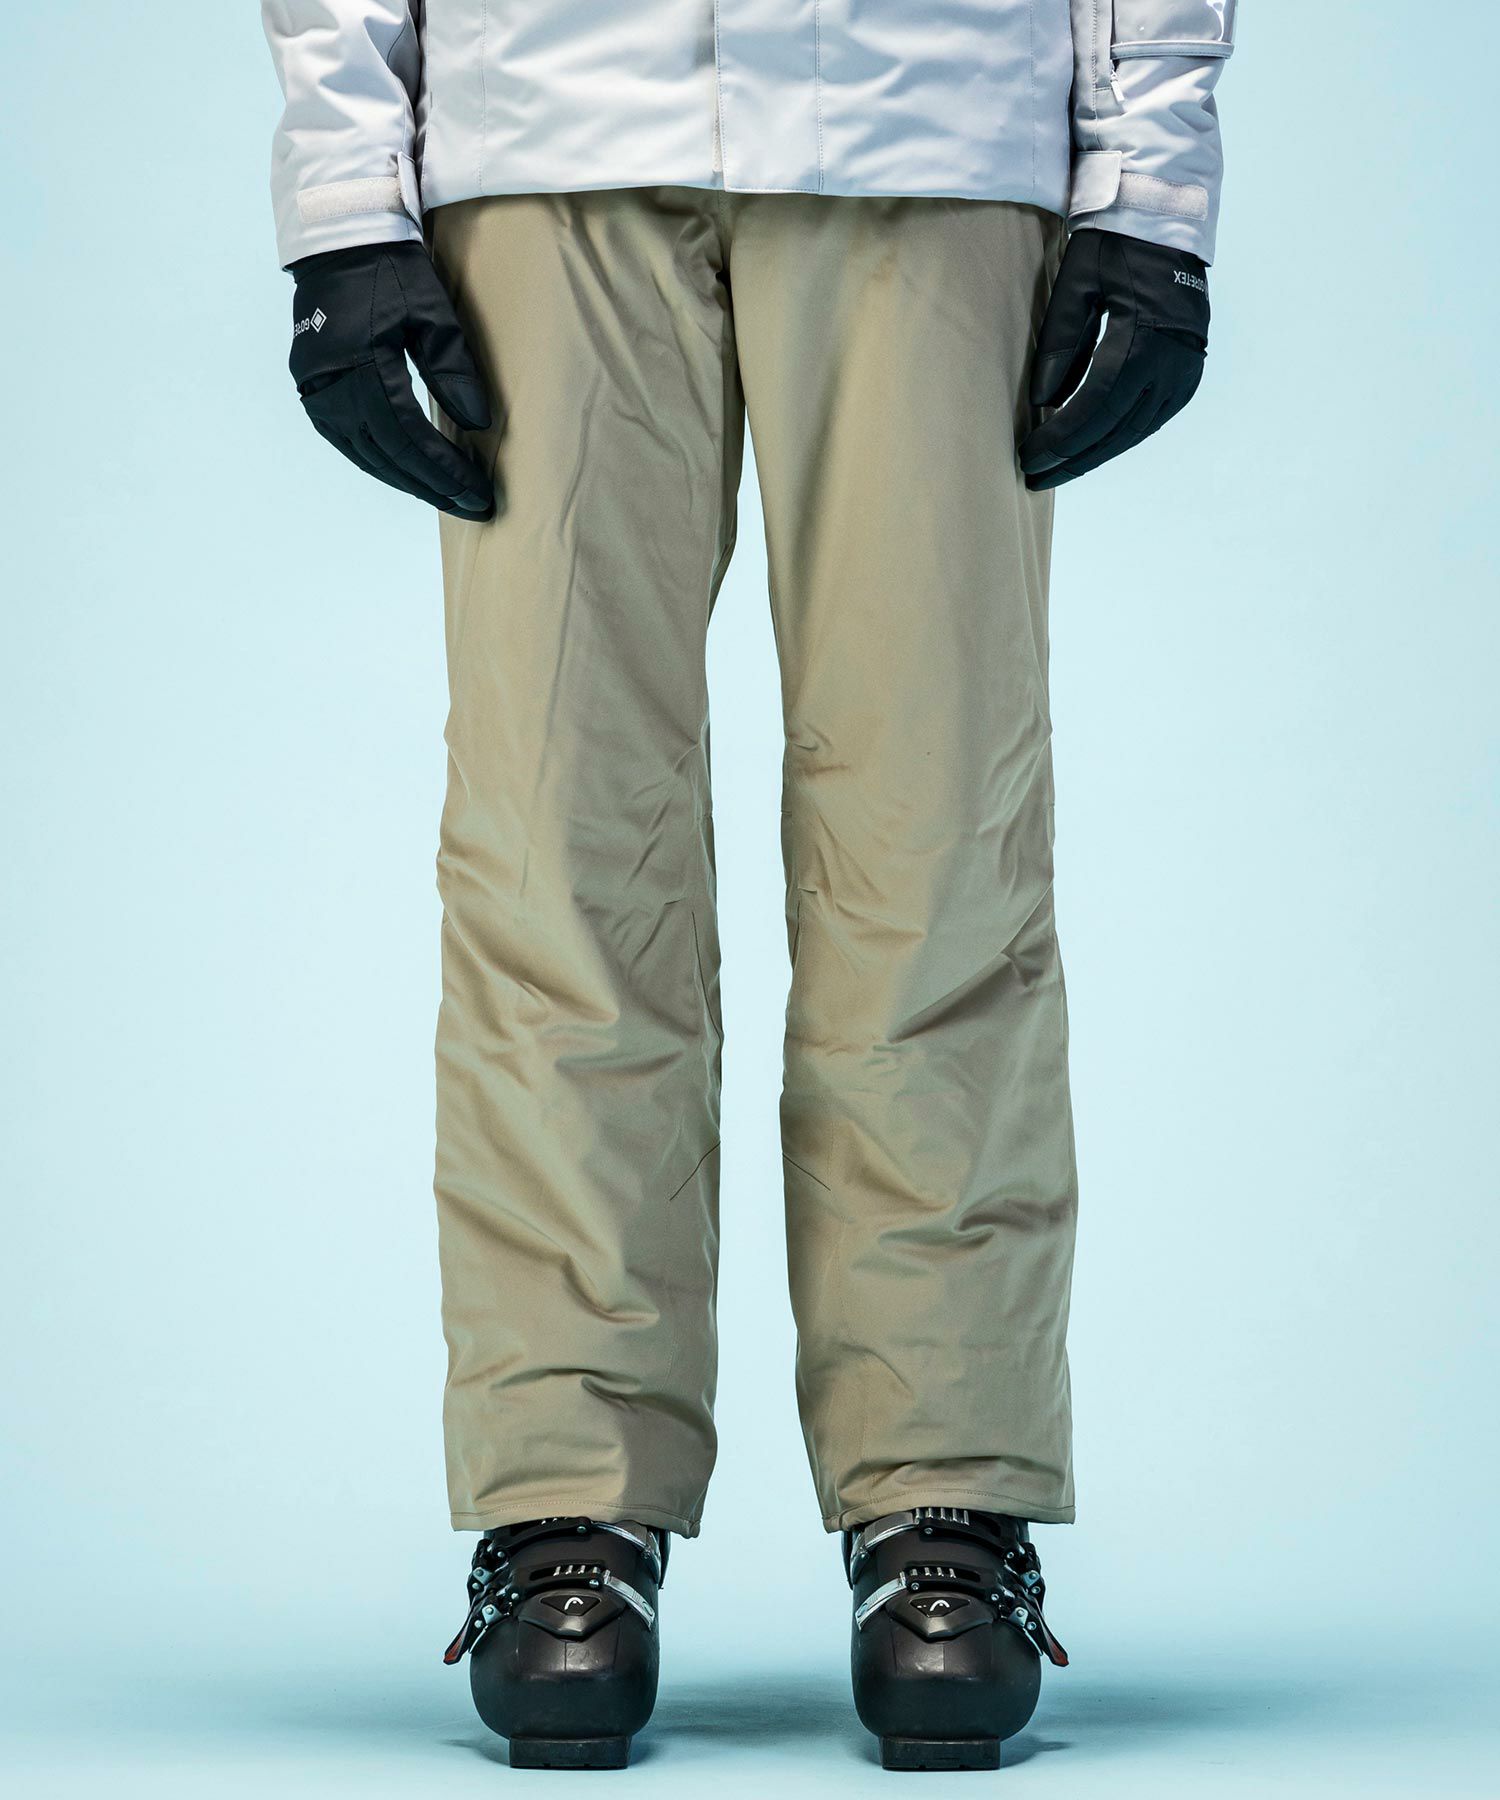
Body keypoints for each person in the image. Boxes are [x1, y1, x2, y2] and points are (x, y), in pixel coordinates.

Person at [263, 0, 1234, 1773]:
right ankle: (566, 1498)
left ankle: (942, 1495)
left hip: (932, 112)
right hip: (546, 123)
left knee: (937, 851)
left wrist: (1149, 187)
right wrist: (347, 194)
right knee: (556, 854)